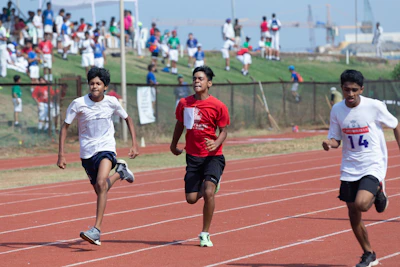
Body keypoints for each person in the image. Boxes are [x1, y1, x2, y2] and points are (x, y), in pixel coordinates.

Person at [322, 69, 400, 267]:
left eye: (354, 90)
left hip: (372, 163)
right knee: (353, 212)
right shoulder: (337, 110)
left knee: (362, 204)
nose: (350, 94)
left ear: (361, 89)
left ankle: (378, 190)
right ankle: (368, 253)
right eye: (347, 90)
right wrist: (329, 143)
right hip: (349, 166)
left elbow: (395, 124)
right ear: (342, 89)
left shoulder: (374, 106)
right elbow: (336, 138)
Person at [57, 67, 139, 246]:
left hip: (106, 148)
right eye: (92, 83)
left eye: (98, 84)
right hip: (87, 153)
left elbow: (128, 119)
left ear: (105, 87)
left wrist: (134, 144)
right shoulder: (78, 103)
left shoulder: (112, 102)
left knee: (101, 184)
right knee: (100, 189)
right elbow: (65, 127)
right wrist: (61, 154)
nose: (94, 86)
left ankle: (96, 230)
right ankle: (120, 172)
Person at [170, 66, 229, 247]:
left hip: (213, 156)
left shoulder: (218, 106)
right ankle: (209, 185)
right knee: (191, 199)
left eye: (201, 79)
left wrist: (217, 142)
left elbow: (224, 131)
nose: (197, 81)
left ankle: (205, 233)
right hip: (193, 157)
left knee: (209, 192)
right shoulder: (184, 103)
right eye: (195, 78)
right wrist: (173, 144)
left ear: (209, 83)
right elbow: (180, 125)